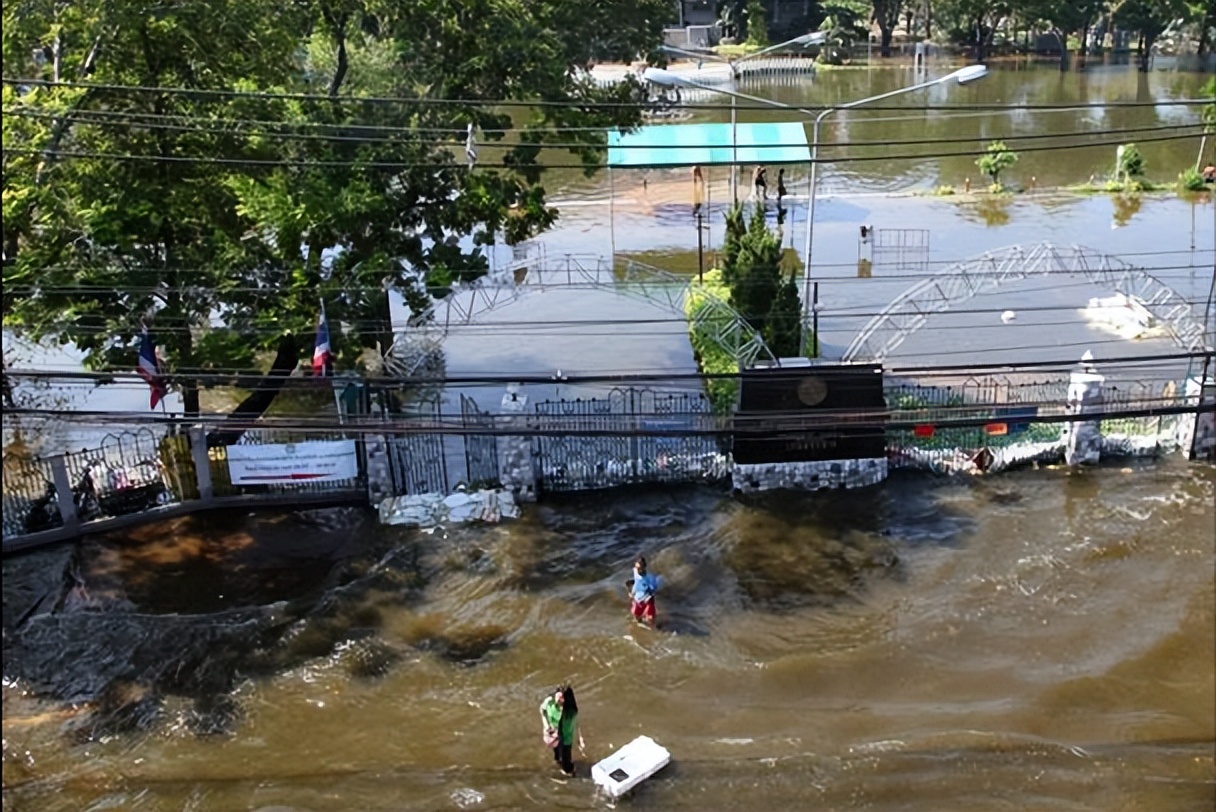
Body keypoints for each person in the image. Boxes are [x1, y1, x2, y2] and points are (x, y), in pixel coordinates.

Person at [539, 685, 585, 776]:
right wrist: (546, 725)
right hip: (553, 733)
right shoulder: (549, 702)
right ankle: (558, 761)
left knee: (566, 763)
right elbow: (542, 710)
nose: (558, 699)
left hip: (564, 738)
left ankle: (571, 772)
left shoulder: (570, 713)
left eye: (562, 698)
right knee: (557, 756)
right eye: (557, 696)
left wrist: (554, 735)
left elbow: (565, 731)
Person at [628, 556, 662, 629]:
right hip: (638, 598)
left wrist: (650, 589)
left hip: (647, 598)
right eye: (637, 568)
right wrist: (632, 592)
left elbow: (653, 588)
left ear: (644, 567)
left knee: (650, 618)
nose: (638, 570)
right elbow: (636, 582)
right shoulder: (635, 571)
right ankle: (639, 626)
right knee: (636, 614)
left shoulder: (649, 577)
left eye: (640, 568)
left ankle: (654, 629)